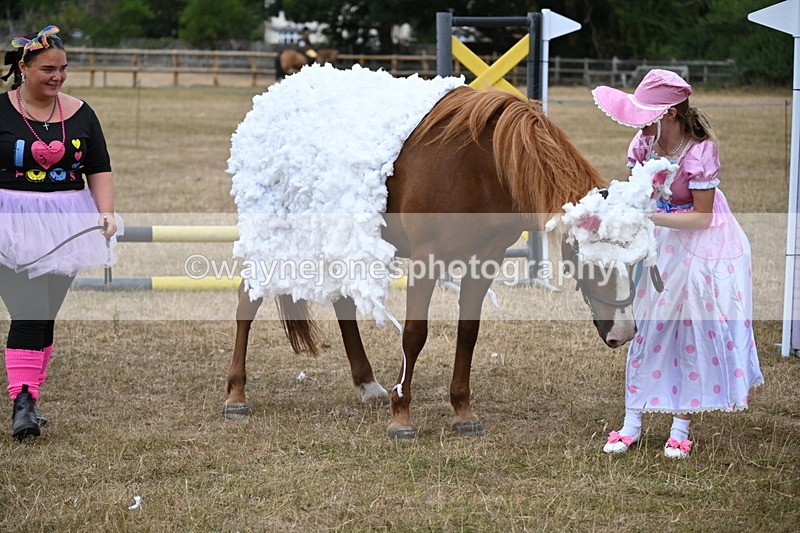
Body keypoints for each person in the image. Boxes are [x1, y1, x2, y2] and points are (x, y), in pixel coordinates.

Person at [592, 69, 764, 458]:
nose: (640, 121)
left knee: (688, 329)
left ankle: (680, 425)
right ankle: (631, 421)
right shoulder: (643, 144)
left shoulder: (700, 152)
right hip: (659, 240)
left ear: (669, 113)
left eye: (648, 113)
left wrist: (650, 218)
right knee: (646, 324)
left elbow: (701, 217)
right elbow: (637, 193)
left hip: (700, 241)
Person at [0, 25, 119, 441]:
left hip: (68, 222)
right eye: (48, 69)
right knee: (30, 312)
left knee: (45, 314)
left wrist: (106, 213)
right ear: (24, 67)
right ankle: (23, 402)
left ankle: (30, 398)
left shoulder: (82, 113)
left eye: (63, 69)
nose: (58, 77)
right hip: (10, 223)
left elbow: (98, 167)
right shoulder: (1, 111)